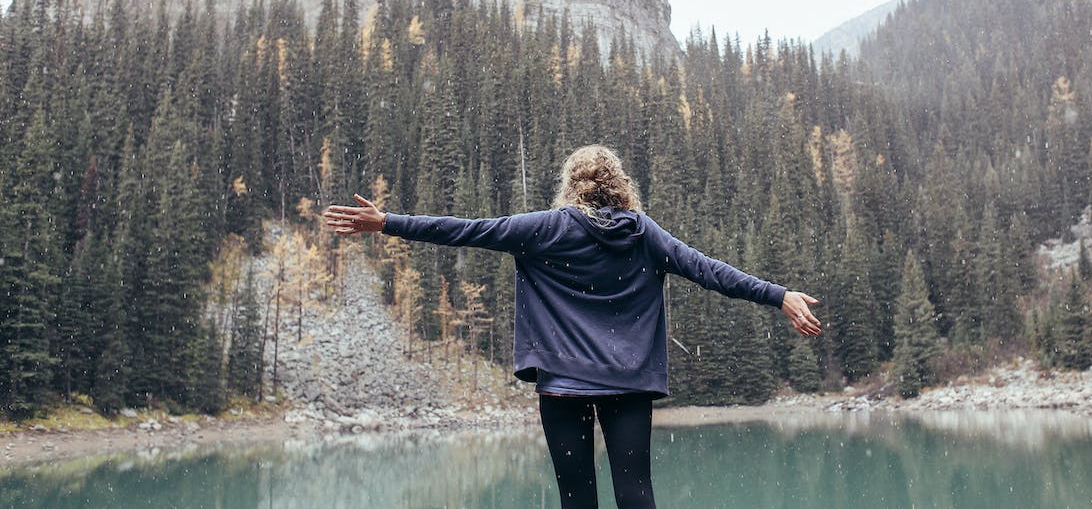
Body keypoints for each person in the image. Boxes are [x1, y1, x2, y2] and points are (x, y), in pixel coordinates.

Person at [324, 144, 821, 509]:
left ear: (571, 185)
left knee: (576, 497)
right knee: (635, 492)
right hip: (628, 384)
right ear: (620, 185)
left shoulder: (546, 229)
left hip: (564, 387)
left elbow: (464, 230)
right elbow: (710, 270)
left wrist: (387, 221)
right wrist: (779, 296)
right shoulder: (643, 233)